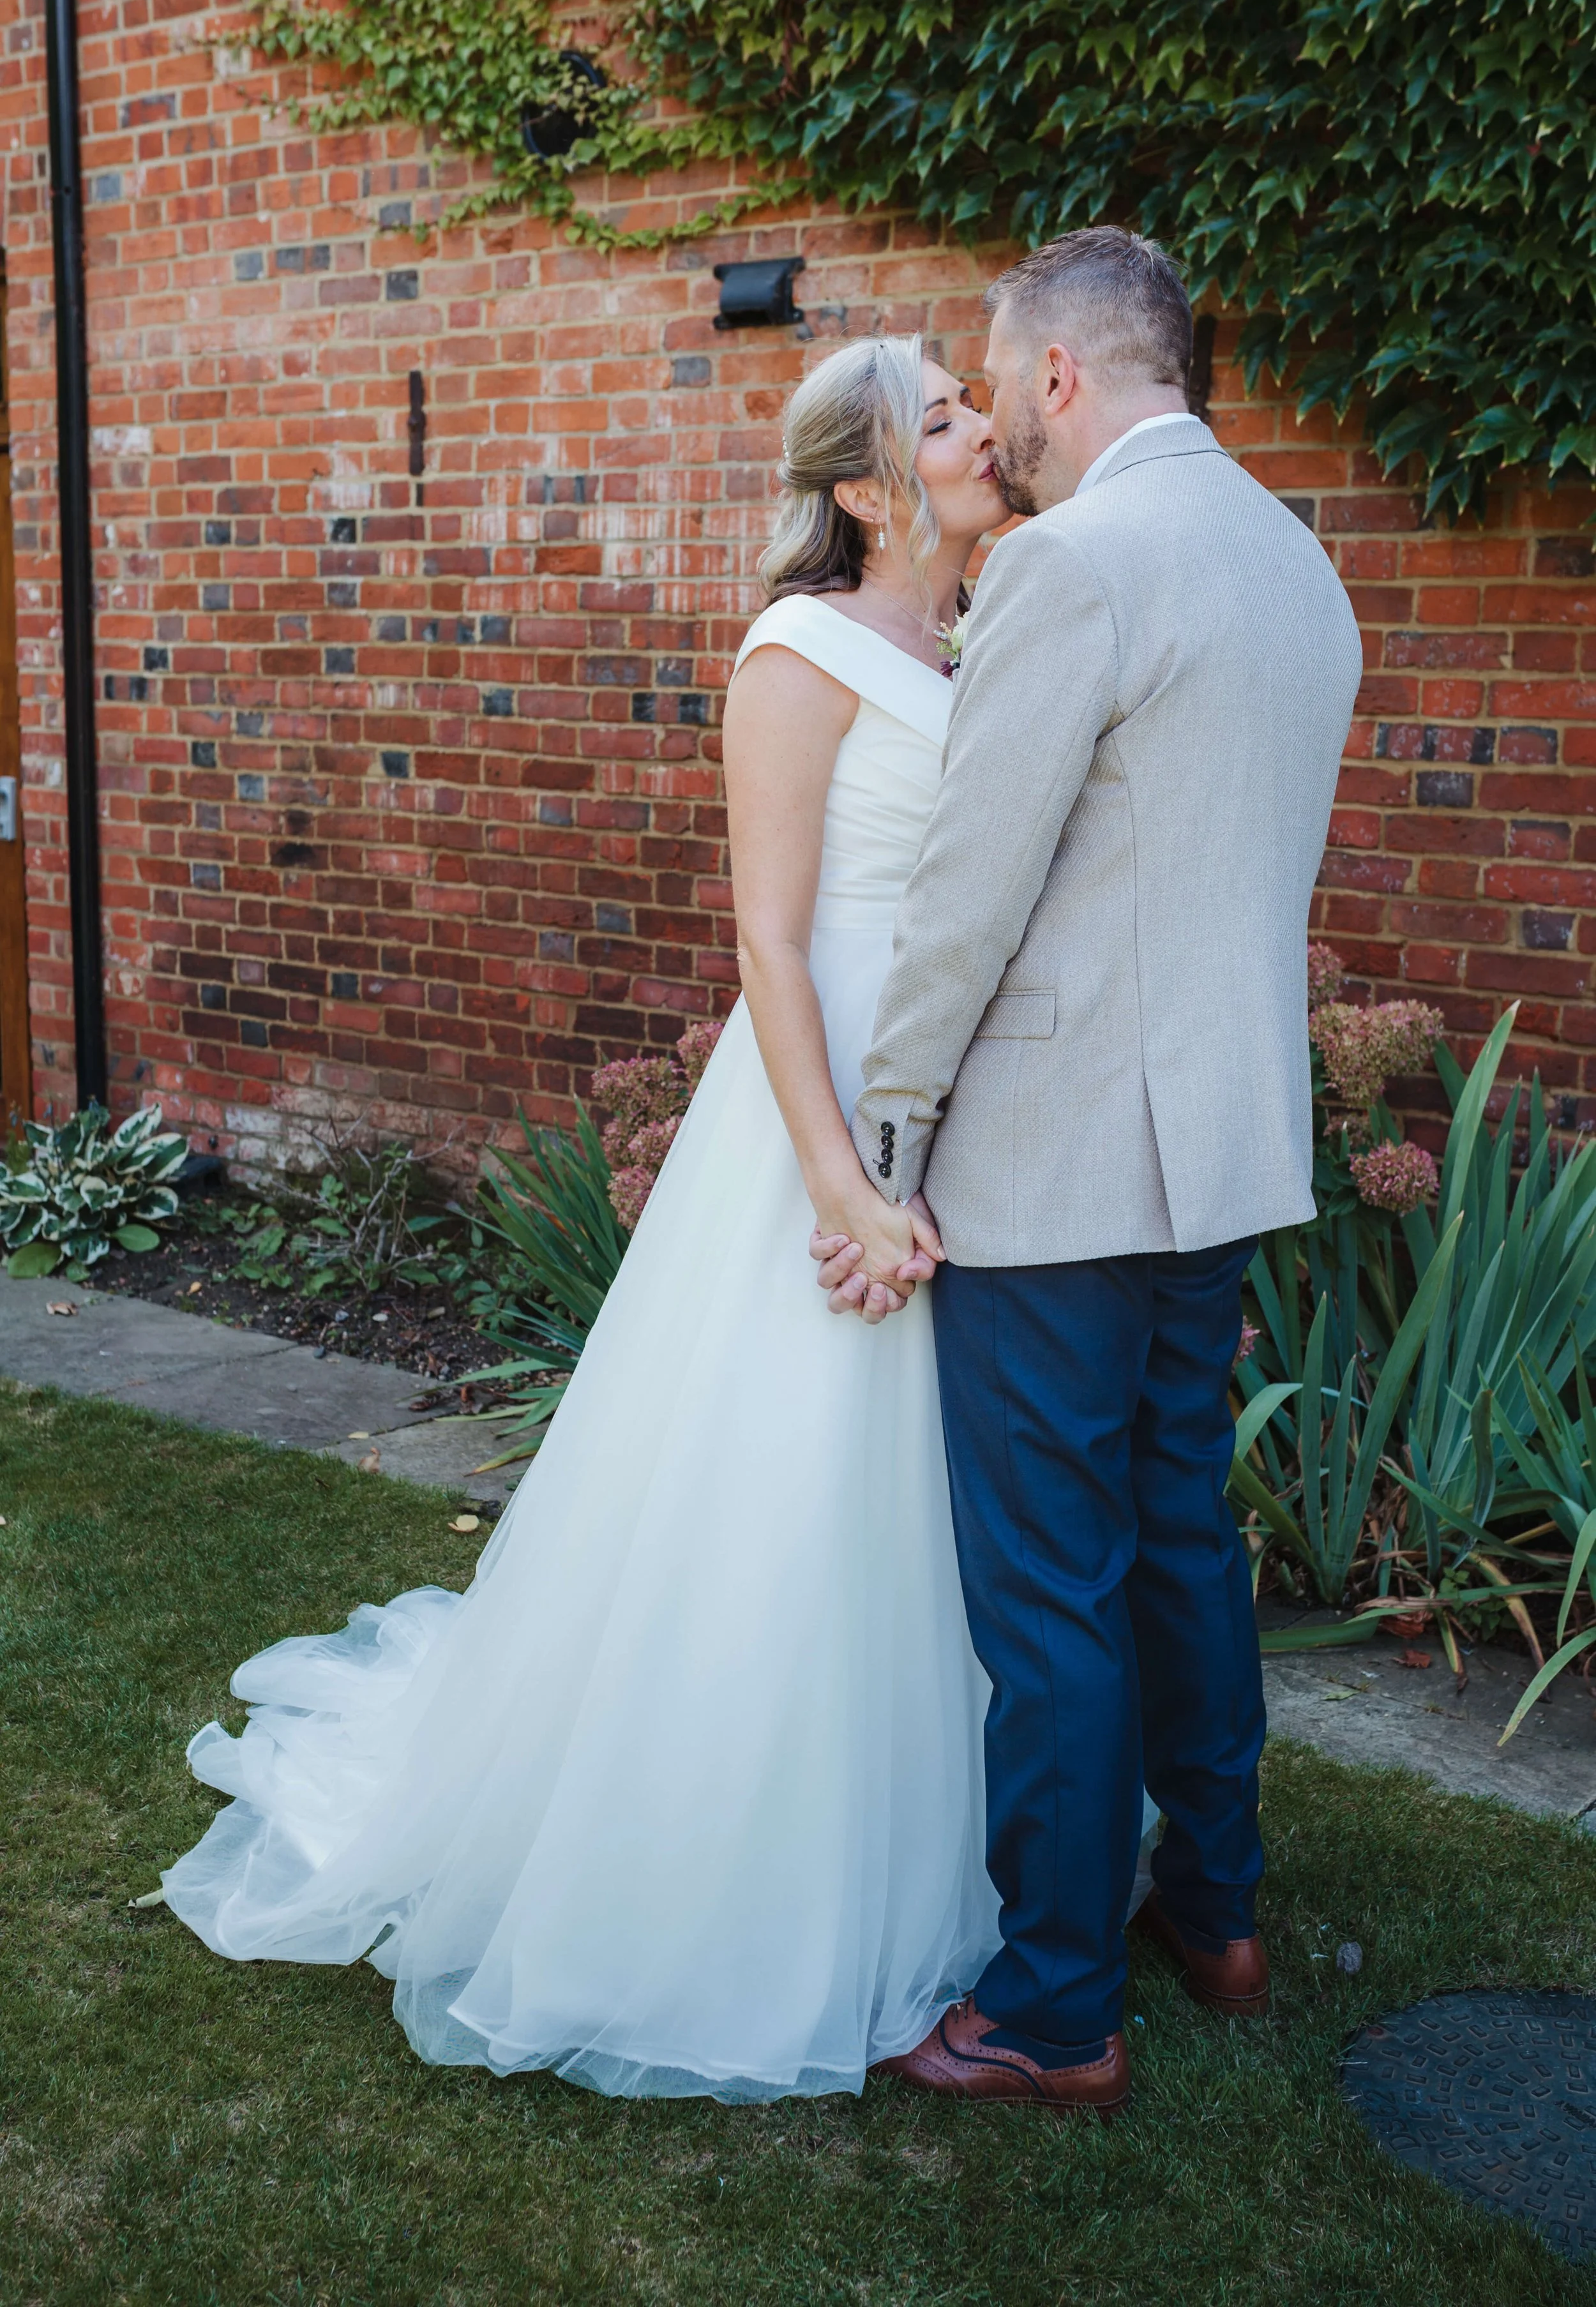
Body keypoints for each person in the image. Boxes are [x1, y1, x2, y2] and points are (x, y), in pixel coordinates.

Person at [160, 333, 1159, 2103]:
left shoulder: (986, 625)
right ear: (861, 488)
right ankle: (720, 1875)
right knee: (779, 1479)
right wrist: (842, 1177)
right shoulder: (796, 652)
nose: (979, 428)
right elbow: (769, 942)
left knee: (934, 1505)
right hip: (813, 1107)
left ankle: (962, 1856)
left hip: (959, 1106)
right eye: (936, 416)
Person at [817, 228, 1364, 2114]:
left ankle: (1052, 2002)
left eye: (999, 377)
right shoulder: (1299, 566)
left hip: (1053, 1171)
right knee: (1180, 1541)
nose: (1005, 428)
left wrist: (885, 1139)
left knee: (1048, 1588)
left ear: (1058, 371)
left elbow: (968, 895)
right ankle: (1212, 1911)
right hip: (1219, 1159)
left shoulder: (1071, 562)